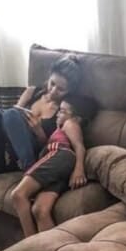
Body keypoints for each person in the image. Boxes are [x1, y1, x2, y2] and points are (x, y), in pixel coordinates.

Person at [0, 54, 82, 195]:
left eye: (60, 89)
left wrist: (38, 130)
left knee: (11, 114)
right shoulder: (33, 92)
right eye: (52, 83)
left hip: (34, 155)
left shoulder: (62, 109)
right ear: (48, 77)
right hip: (9, 148)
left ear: (69, 91)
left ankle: (30, 173)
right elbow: (10, 119)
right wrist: (19, 109)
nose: (53, 91)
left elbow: (53, 147)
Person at [10, 94, 90, 238]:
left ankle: (30, 245)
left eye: (63, 111)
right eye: (59, 110)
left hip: (59, 157)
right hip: (60, 166)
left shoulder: (71, 123)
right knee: (40, 210)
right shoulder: (61, 127)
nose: (58, 114)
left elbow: (79, 147)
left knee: (18, 195)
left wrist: (79, 170)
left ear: (77, 117)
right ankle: (52, 248)